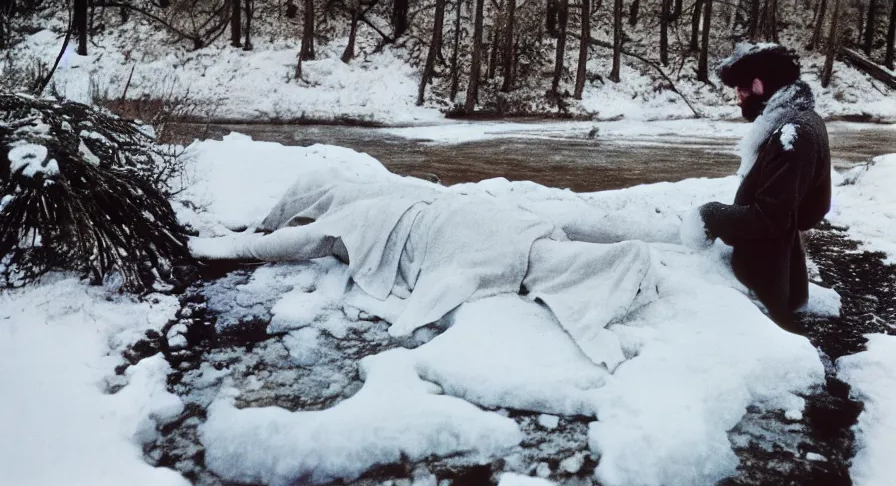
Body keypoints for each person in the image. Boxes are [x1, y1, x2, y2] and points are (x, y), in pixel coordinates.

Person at [190, 166, 657, 371]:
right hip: (415, 206)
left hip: (393, 227)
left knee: (318, 230)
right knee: (322, 191)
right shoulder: (541, 230)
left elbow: (427, 301)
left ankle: (229, 246)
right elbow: (437, 292)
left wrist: (409, 317)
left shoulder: (508, 259)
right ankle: (246, 235)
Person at [680, 43, 832, 330]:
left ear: (758, 85)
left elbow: (768, 220)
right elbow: (809, 209)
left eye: (740, 88)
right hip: (779, 275)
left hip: (769, 290)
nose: (737, 97)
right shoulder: (801, 121)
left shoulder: (793, 134)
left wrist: (709, 215)